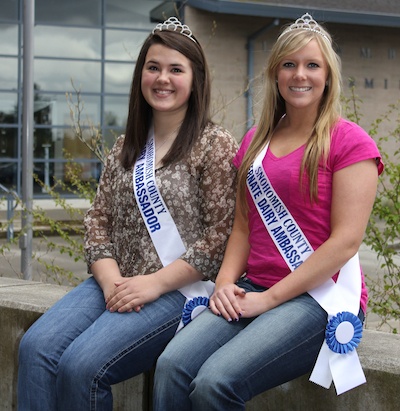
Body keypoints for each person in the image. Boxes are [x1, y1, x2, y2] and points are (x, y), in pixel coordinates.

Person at [153, 13, 384, 411]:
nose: (300, 75)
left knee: (215, 382)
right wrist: (224, 283)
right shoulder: (255, 142)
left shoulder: (349, 141)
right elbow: (242, 227)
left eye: (312, 65)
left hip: (319, 297)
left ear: (328, 76)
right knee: (171, 365)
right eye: (289, 65)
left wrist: (269, 299)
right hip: (253, 286)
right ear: (275, 74)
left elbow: (346, 241)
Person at [17, 17, 238, 411]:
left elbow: (221, 237)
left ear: (195, 78)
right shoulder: (125, 145)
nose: (162, 78)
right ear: (141, 75)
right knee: (36, 347)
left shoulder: (214, 144)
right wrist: (111, 281)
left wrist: (152, 284)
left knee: (83, 366)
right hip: (116, 282)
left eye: (175, 69)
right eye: (153, 67)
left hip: (178, 291)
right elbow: (98, 222)